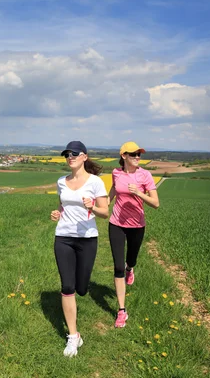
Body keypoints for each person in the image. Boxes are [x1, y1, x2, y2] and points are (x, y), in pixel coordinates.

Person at [50, 140, 109, 357]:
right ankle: (73, 337)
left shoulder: (95, 182)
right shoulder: (61, 182)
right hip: (63, 237)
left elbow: (105, 212)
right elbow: (62, 205)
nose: (70, 156)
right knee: (67, 286)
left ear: (84, 156)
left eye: (75, 153)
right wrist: (57, 213)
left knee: (81, 288)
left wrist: (92, 206)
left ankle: (80, 290)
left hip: (87, 239)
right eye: (67, 154)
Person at [108, 141, 159, 328]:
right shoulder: (116, 173)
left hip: (137, 225)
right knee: (118, 266)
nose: (137, 157)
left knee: (131, 259)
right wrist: (105, 203)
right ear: (124, 156)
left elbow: (156, 203)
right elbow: (114, 189)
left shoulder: (145, 175)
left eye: (139, 154)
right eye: (133, 154)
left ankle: (131, 268)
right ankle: (122, 310)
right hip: (116, 224)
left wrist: (139, 193)